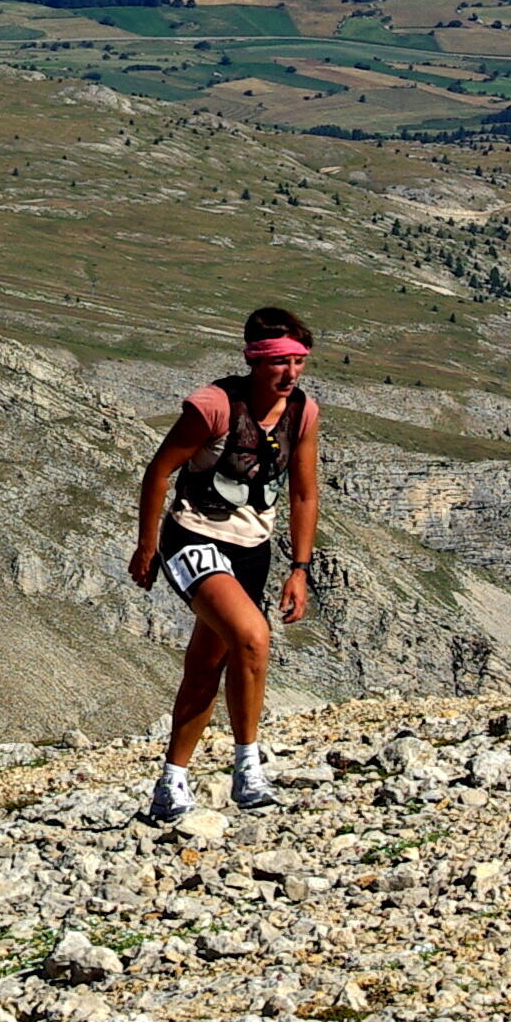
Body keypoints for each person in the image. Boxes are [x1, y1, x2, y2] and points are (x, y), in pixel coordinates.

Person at [126, 305, 319, 822]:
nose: (290, 373)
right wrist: (147, 547)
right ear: (254, 360)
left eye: (299, 361)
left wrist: (299, 568)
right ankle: (247, 768)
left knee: (207, 663)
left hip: (253, 546)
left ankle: (172, 781)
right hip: (192, 537)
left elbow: (303, 492)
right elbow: (159, 471)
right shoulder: (212, 406)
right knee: (253, 637)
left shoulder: (303, 412)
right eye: (279, 361)